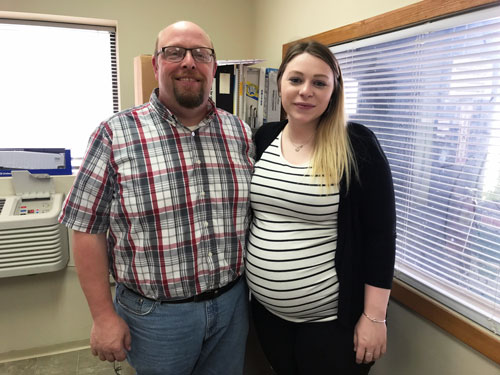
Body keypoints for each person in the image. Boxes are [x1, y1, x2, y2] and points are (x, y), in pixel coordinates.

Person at [59, 21, 255, 375]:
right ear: (155, 65)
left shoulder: (239, 132)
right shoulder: (115, 134)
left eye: (201, 54)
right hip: (156, 318)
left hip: (231, 307)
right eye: (174, 52)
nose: (189, 62)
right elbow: (86, 230)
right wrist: (103, 317)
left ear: (213, 65)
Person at [246, 40, 396, 375]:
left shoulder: (356, 145)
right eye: (296, 79)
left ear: (334, 91)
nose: (305, 92)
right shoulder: (263, 137)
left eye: (319, 82)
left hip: (331, 324)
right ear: (279, 83)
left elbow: (380, 238)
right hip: (269, 317)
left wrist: (375, 318)